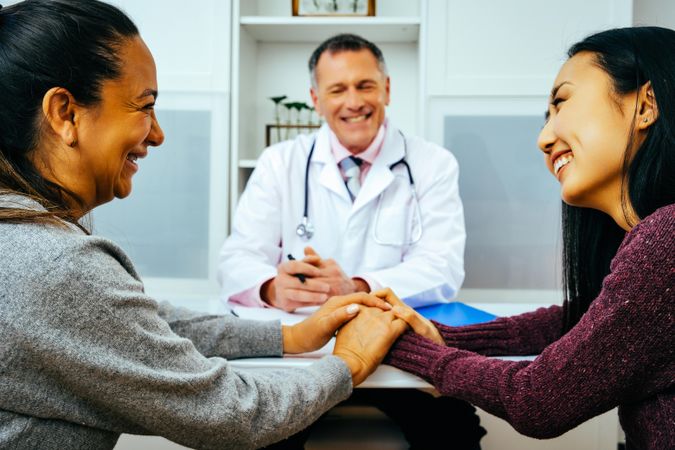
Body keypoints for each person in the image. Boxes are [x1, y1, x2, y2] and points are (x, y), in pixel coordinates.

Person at [0, 2, 408, 449]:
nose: (157, 134)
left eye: (365, 85)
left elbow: (141, 320)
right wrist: (348, 358)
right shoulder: (56, 265)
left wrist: (289, 335)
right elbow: (236, 414)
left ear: (386, 90)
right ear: (65, 112)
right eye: (145, 106)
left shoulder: (27, 244)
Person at [371, 26, 674, 450]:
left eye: (561, 103)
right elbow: (581, 320)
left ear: (645, 106)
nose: (543, 138)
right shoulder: (655, 236)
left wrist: (399, 345)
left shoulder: (667, 240)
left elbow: (538, 399)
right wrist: (442, 336)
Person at [218, 34, 484, 450]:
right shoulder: (280, 162)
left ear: (387, 89)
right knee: (260, 437)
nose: (353, 101)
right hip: (303, 359)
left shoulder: (432, 163)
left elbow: (443, 265)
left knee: (454, 435)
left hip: (398, 353)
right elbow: (237, 257)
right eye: (337, 89)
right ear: (315, 98)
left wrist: (356, 288)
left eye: (365, 86)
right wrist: (272, 287)